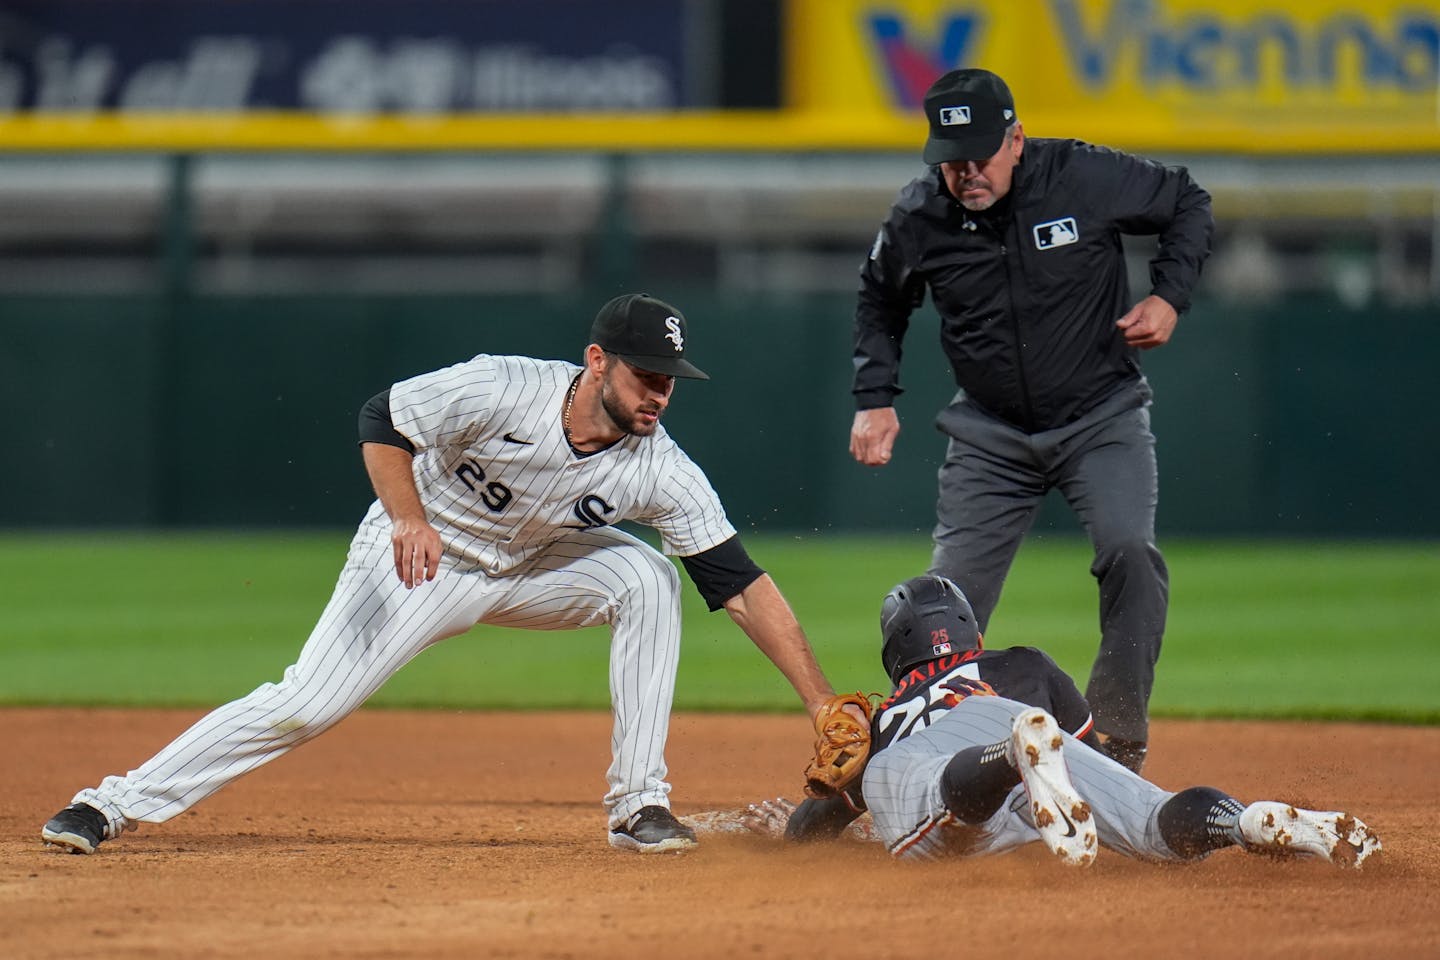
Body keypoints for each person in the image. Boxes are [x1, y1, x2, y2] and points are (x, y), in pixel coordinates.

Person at [42, 292, 850, 857]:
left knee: (648, 579)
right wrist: (407, 516)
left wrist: (818, 701)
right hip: (419, 559)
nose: (660, 395)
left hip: (532, 566)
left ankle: (638, 804)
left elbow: (738, 583)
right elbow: (382, 419)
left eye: (669, 380)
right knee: (305, 705)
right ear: (597, 361)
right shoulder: (502, 386)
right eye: (644, 375)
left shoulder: (660, 469)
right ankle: (110, 804)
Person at [848, 68, 1216, 773]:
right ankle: (916, 762)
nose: (965, 173)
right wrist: (875, 396)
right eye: (950, 159)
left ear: (1016, 140)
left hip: (1099, 414)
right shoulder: (920, 215)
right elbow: (879, 299)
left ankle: (1116, 740)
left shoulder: (1081, 175)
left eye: (979, 155)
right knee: (943, 606)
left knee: (1130, 552)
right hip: (990, 434)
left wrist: (1170, 296)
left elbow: (1187, 202)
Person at [775, 575, 1380, 869]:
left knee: (938, 812)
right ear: (973, 635)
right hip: (1020, 720)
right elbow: (1102, 764)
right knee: (1151, 821)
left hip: (950, 756)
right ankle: (1244, 819)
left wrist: (800, 822)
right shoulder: (1024, 665)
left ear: (895, 655)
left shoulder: (883, 723)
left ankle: (1010, 759)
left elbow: (812, 827)